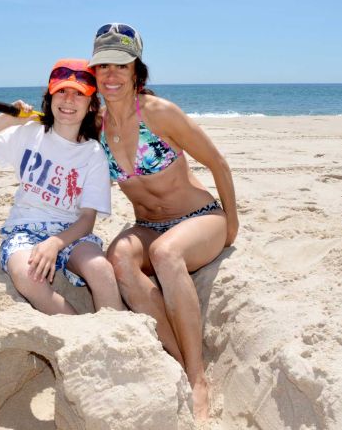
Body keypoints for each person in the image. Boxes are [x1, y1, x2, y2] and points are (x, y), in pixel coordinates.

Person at [88, 23, 239, 420]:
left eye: (121, 66)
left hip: (199, 218)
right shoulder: (96, 126)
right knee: (118, 258)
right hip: (147, 225)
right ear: (94, 73)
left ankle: (197, 377)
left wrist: (232, 225)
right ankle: (174, 353)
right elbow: (55, 129)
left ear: (137, 69)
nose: (112, 75)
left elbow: (217, 163)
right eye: (103, 66)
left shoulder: (158, 113)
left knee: (167, 253)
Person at [0, 58, 125, 315]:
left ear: (92, 105)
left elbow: (87, 220)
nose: (69, 100)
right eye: (62, 91)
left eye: (79, 94)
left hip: (71, 232)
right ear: (50, 96)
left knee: (100, 270)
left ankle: (114, 330)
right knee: (28, 276)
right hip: (24, 230)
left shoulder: (93, 153)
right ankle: (79, 329)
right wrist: (4, 121)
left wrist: (55, 243)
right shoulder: (28, 133)